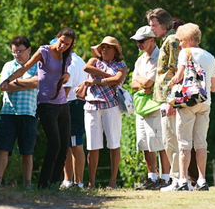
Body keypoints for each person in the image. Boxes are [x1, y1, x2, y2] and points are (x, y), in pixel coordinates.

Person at [0, 27, 76, 189]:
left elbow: (66, 73)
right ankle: (44, 183)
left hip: (62, 103)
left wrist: (67, 76)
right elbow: (25, 68)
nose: (63, 46)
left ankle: (55, 182)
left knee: (64, 145)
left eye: (67, 44)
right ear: (57, 37)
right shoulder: (45, 52)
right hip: (46, 104)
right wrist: (8, 80)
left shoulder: (66, 56)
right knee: (54, 143)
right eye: (62, 42)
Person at [161, 23, 215, 192]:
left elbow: (179, 77)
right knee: (201, 143)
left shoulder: (185, 54)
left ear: (189, 40)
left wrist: (169, 84)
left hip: (188, 103)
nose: (180, 44)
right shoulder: (210, 56)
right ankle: (201, 180)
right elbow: (213, 87)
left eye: (182, 40)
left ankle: (183, 180)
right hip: (205, 102)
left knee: (184, 142)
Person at [79, 36, 128, 189]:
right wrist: (108, 76)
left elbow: (118, 79)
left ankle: (112, 181)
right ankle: (91, 183)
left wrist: (97, 81)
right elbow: (86, 68)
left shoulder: (121, 65)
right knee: (92, 146)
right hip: (92, 106)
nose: (105, 50)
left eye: (108, 47)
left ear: (115, 50)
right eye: (103, 47)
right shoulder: (94, 61)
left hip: (111, 106)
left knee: (113, 143)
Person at [0, 35, 39, 189]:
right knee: (3, 148)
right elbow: (3, 86)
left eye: (20, 51)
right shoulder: (8, 66)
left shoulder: (37, 65)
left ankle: (27, 185)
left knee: (27, 151)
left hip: (28, 113)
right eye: (14, 52)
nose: (17, 55)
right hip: (9, 112)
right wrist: (27, 84)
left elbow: (38, 82)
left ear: (29, 50)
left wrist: (16, 82)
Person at [129, 25, 166, 190]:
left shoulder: (160, 57)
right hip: (142, 106)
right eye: (137, 41)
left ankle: (166, 178)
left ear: (152, 39)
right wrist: (142, 83)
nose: (138, 44)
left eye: (141, 40)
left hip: (156, 105)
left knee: (159, 142)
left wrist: (141, 81)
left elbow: (146, 83)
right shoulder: (140, 59)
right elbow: (134, 83)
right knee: (144, 142)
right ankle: (152, 177)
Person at [147, 8, 179, 185]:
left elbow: (175, 72)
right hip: (165, 99)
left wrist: (172, 101)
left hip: (170, 99)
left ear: (165, 25)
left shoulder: (172, 41)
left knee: (172, 139)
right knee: (168, 140)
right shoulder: (167, 40)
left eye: (154, 25)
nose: (151, 29)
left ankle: (176, 179)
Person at [62, 51, 87, 189]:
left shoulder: (69, 62)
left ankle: (75, 182)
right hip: (79, 103)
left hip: (72, 104)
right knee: (70, 144)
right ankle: (71, 181)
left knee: (74, 144)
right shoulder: (80, 60)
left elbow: (66, 88)